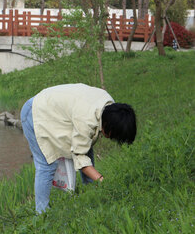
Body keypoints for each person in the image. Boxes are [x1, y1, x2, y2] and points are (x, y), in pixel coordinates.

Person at [20, 83, 136, 214]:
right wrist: (103, 180)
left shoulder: (110, 107)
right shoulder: (87, 120)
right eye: (112, 136)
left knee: (85, 147)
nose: (110, 138)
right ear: (108, 125)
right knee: (47, 165)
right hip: (35, 113)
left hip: (51, 108)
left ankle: (92, 194)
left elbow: (84, 144)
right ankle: (41, 214)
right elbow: (80, 157)